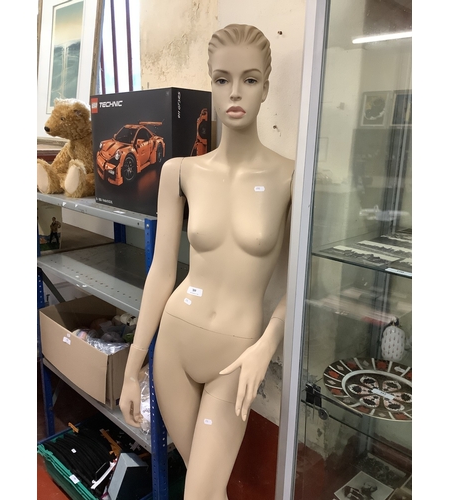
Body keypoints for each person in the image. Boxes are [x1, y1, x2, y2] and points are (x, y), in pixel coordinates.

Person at [119, 23, 294, 499]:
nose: (235, 92)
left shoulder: (290, 178)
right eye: (222, 79)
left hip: (237, 356)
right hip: (174, 347)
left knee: (199, 493)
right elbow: (161, 272)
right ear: (211, 85)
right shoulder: (180, 172)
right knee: (207, 490)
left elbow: (297, 284)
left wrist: (266, 345)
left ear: (265, 88)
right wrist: (133, 367)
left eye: (249, 79)